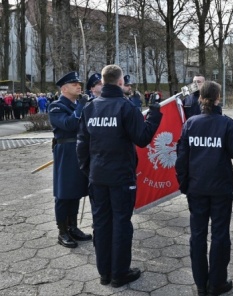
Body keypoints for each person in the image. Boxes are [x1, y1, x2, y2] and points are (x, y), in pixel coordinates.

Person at [76, 64, 162, 288]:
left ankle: (105, 273)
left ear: (103, 82)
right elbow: (142, 138)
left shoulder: (90, 108)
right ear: (121, 82)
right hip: (121, 177)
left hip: (98, 176)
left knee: (102, 224)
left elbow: (81, 144)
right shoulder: (125, 107)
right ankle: (119, 274)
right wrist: (154, 114)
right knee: (121, 224)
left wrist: (88, 169)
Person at [175, 81, 233, 296]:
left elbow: (181, 159)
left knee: (197, 235)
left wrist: (184, 185)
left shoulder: (191, 123)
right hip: (220, 189)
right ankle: (216, 283)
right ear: (218, 98)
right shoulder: (226, 124)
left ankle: (201, 283)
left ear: (201, 98)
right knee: (220, 235)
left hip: (197, 189)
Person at [48, 71, 92, 249]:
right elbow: (69, 124)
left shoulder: (76, 104)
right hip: (66, 151)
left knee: (75, 190)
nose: (79, 86)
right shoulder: (56, 106)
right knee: (63, 193)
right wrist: (82, 107)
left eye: (79, 83)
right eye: (74, 84)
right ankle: (62, 231)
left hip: (79, 150)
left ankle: (73, 227)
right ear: (64, 88)